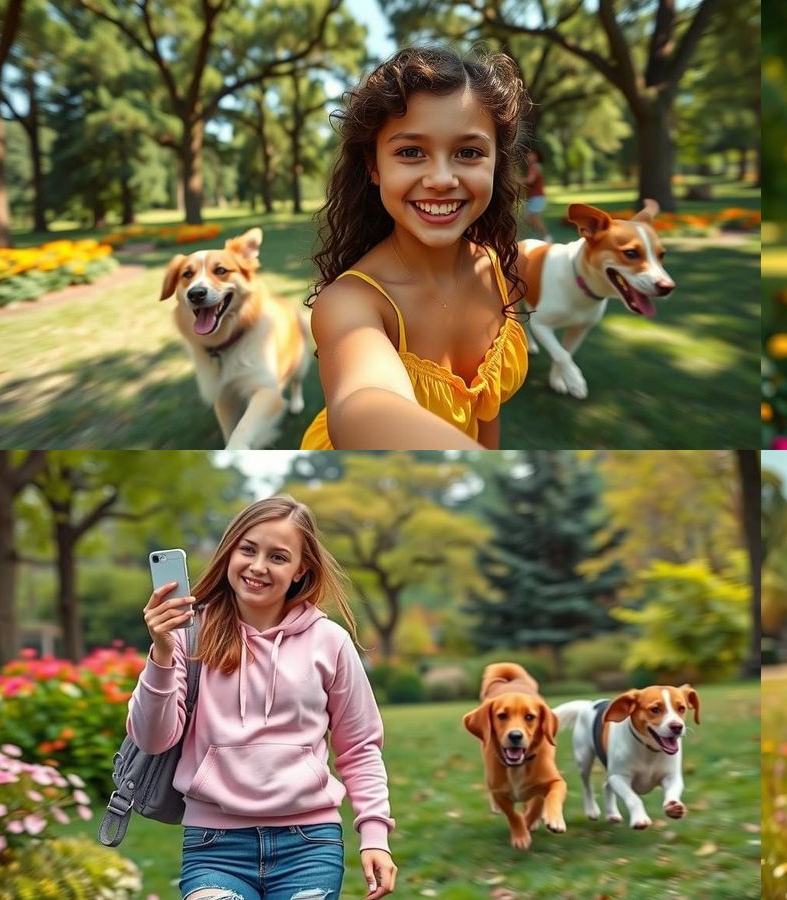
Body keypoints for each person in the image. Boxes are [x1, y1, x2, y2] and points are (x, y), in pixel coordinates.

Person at [130, 496, 397, 899]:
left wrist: (374, 833)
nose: (257, 567)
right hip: (214, 845)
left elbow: (359, 747)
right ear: (230, 551)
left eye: (278, 556)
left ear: (299, 570)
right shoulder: (189, 636)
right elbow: (152, 740)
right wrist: (163, 652)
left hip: (310, 844)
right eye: (248, 549)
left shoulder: (330, 642)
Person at [301, 45, 531, 450]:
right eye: (410, 152)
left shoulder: (497, 270)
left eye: (468, 152)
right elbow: (362, 402)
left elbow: (486, 411)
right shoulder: (350, 303)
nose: (441, 178)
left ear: (496, 161)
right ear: (374, 167)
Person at [524, 148, 553, 241]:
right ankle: (542, 236)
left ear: (535, 157)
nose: (527, 156)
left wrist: (516, 180)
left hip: (537, 197)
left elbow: (530, 180)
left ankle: (547, 237)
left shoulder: (534, 167)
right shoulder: (534, 166)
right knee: (529, 218)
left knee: (534, 218)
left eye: (530, 154)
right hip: (534, 197)